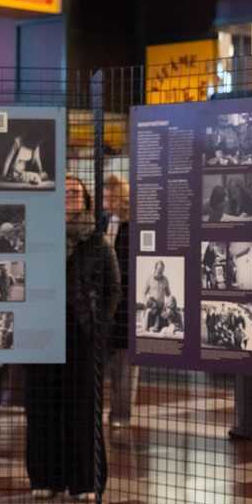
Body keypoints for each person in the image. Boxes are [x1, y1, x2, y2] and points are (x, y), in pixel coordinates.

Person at [25, 176, 120, 500]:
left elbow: (113, 287)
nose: (70, 196)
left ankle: (85, 480)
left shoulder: (97, 240)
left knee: (83, 406)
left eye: (76, 192)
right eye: (64, 192)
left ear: (86, 199)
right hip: (41, 330)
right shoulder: (37, 236)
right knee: (41, 403)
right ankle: (45, 477)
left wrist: (100, 325)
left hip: (81, 331)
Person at [103, 175, 138, 429]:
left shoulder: (133, 226)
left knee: (125, 366)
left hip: (127, 304)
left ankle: (121, 414)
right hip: (105, 302)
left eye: (110, 195)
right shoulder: (105, 222)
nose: (106, 199)